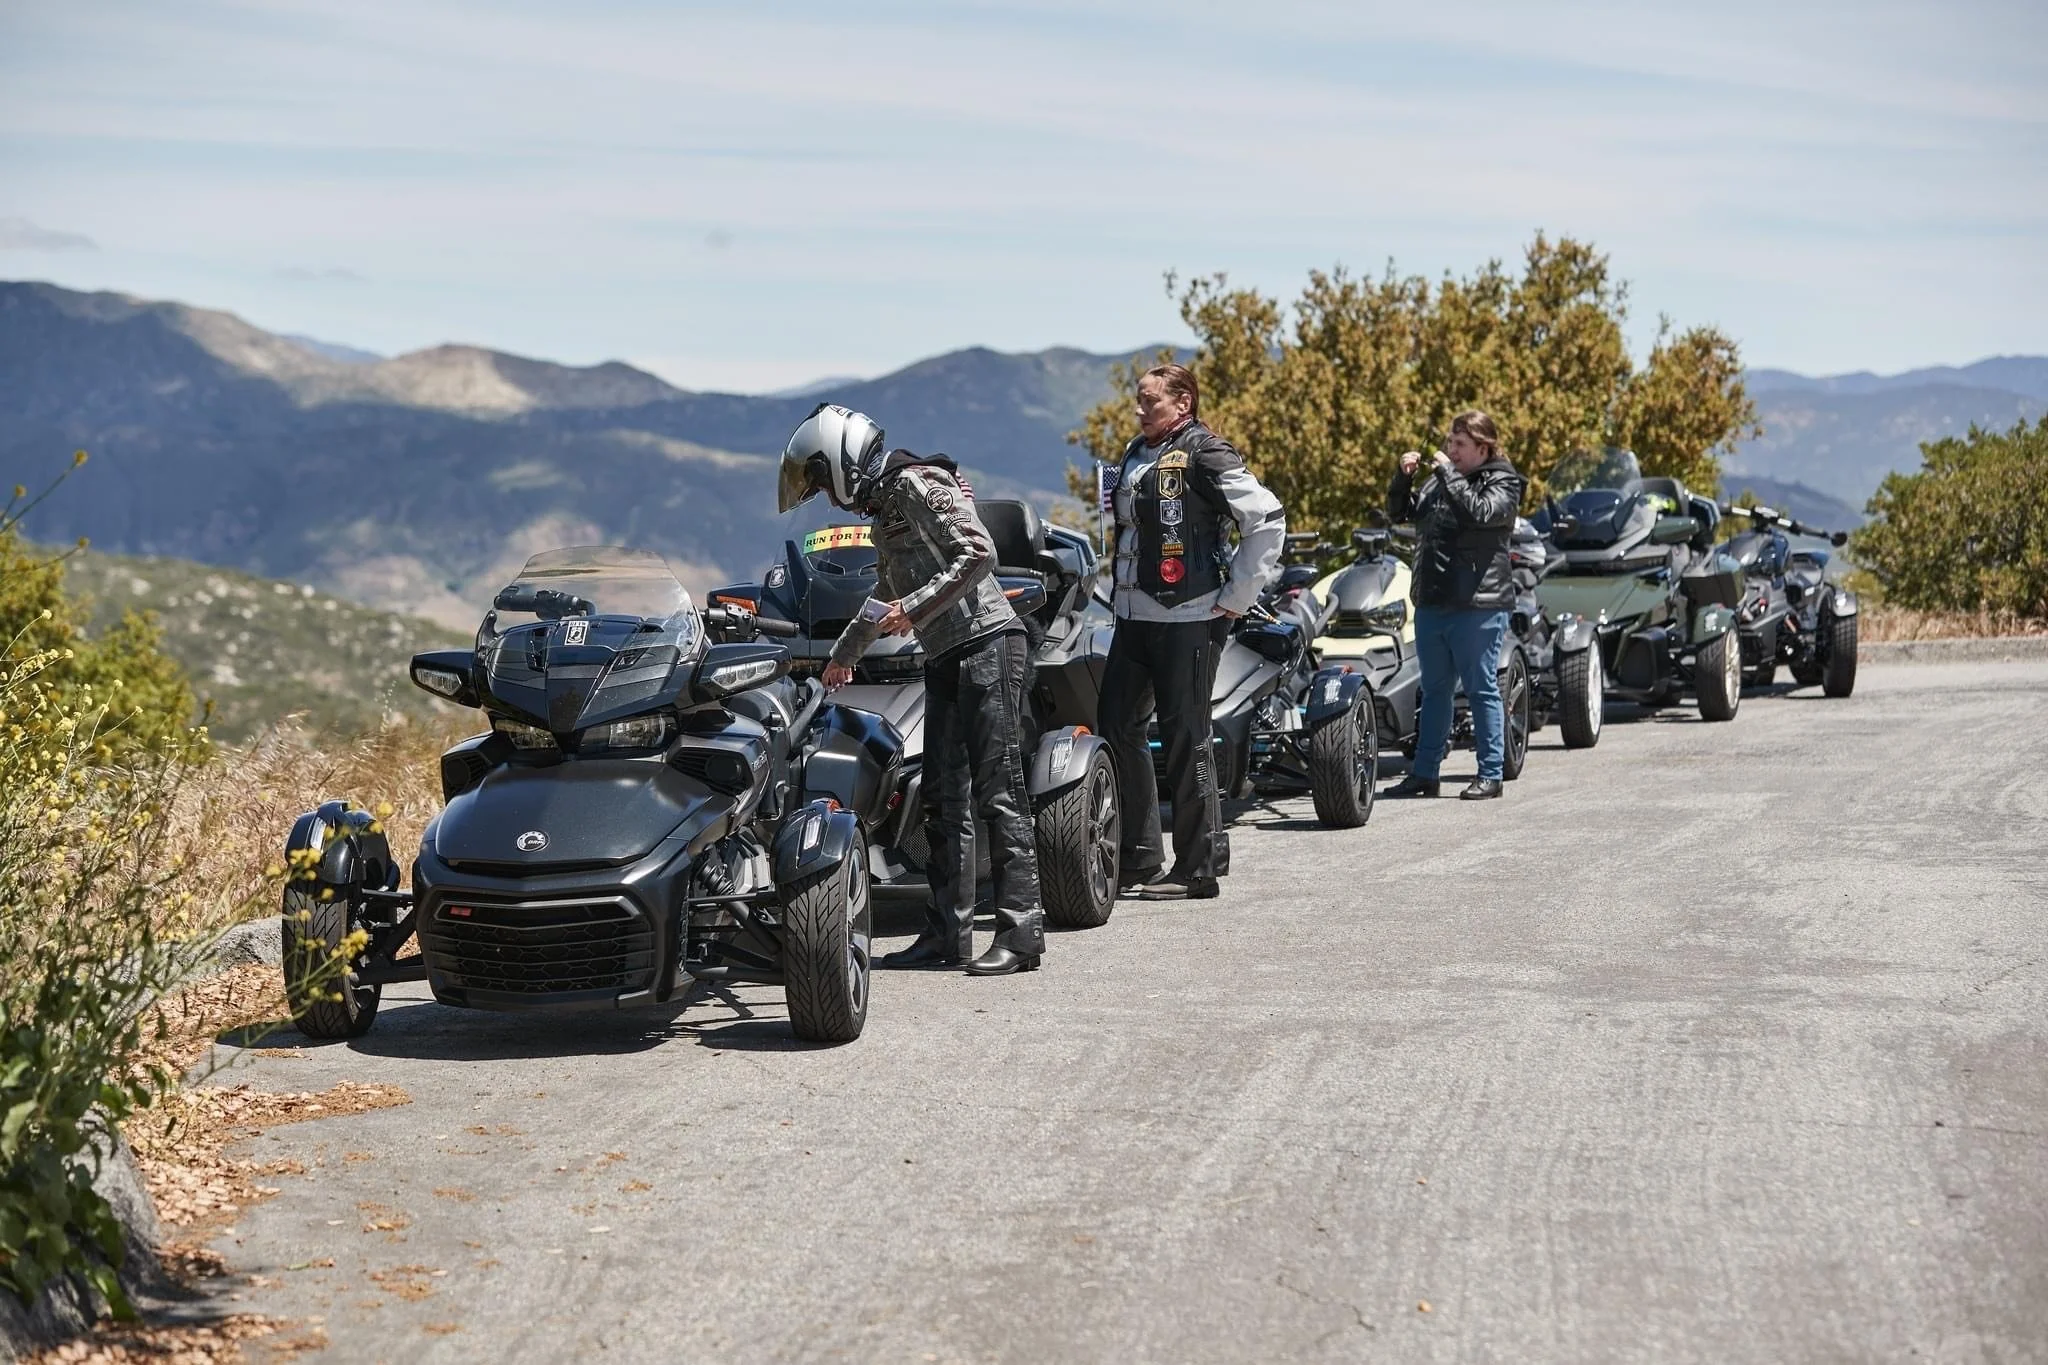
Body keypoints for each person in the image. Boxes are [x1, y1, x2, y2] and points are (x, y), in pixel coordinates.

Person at [778, 403, 1046, 975]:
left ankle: (1021, 935)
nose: (828, 498)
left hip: (988, 642)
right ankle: (947, 935)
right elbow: (882, 593)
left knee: (998, 790)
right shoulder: (883, 511)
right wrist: (841, 658)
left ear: (846, 460)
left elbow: (979, 553)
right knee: (943, 798)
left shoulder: (918, 484)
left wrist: (914, 608)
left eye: (826, 482)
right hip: (946, 650)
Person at [1098, 364, 1285, 900]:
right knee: (1116, 724)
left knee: (1186, 735)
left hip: (1189, 619)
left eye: (1149, 402)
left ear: (1183, 404)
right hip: (1132, 617)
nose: (1138, 411)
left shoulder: (1207, 451)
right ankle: (1138, 856)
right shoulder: (1137, 452)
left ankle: (1198, 867)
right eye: (1138, 401)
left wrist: (1236, 598)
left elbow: (1267, 519)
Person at [1384, 410, 1525, 801]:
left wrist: (1447, 474)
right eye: (1450, 443)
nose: (1451, 450)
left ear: (1484, 447)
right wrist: (1403, 478)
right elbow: (1399, 513)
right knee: (1434, 691)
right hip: (1433, 601)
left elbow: (1479, 513)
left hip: (1477, 604)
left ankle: (1491, 774)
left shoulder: (1503, 481)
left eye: (1460, 445)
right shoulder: (1441, 480)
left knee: (1481, 689)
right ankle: (1424, 773)